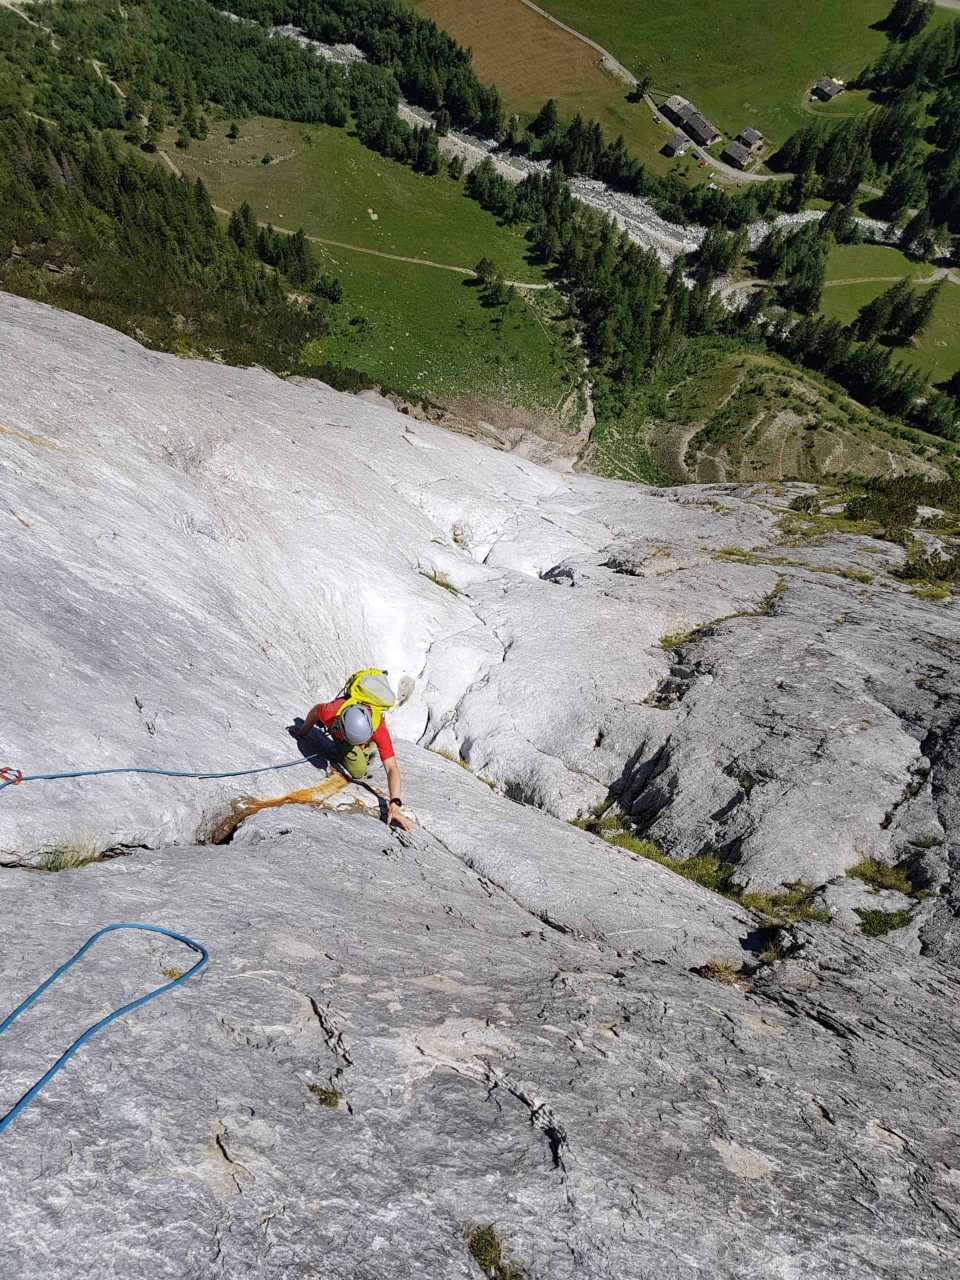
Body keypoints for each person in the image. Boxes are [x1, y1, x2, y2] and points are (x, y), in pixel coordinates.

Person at [290, 669, 413, 831]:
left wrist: (395, 804)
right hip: (341, 731)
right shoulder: (332, 712)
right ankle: (349, 745)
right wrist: (303, 732)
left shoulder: (378, 727)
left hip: (358, 732)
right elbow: (315, 711)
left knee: (358, 770)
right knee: (357, 768)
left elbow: (391, 768)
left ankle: (367, 747)